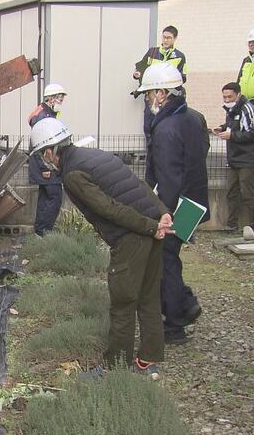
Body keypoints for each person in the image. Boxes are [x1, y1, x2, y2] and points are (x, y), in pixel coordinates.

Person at [29, 117, 174, 375]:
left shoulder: (72, 175)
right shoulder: (95, 155)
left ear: (50, 152)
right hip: (150, 228)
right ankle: (149, 359)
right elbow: (139, 184)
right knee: (149, 297)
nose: (43, 160)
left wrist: (151, 227)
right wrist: (161, 213)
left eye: (42, 154)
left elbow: (110, 209)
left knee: (123, 303)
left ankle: (114, 369)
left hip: (132, 237)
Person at [138, 63, 209, 345]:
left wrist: (161, 213)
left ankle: (177, 320)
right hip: (194, 202)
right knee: (170, 258)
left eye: (149, 93)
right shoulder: (194, 118)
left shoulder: (166, 129)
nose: (147, 99)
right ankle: (184, 304)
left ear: (162, 93)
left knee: (165, 261)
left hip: (176, 205)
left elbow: (168, 177)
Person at [213, 82, 254, 238]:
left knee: (248, 193)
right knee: (231, 192)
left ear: (238, 95)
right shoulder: (232, 110)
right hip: (235, 158)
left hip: (248, 159)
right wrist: (223, 128)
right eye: (224, 97)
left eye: (230, 97)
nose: (227, 100)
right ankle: (232, 224)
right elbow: (235, 126)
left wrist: (232, 136)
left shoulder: (249, 110)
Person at [133, 26, 188, 144]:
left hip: (168, 97)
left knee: (167, 124)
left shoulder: (180, 56)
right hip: (152, 95)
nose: (166, 40)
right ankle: (151, 148)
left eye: (169, 38)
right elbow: (141, 67)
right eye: (164, 37)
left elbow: (182, 77)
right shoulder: (152, 52)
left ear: (175, 39)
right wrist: (137, 74)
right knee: (149, 125)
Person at [27, 83, 67, 236]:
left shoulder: (45, 113)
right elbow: (40, 144)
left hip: (45, 164)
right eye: (59, 97)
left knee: (45, 198)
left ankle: (40, 232)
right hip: (46, 165)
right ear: (50, 98)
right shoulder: (43, 116)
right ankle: (45, 232)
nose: (61, 100)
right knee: (54, 198)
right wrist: (44, 167)